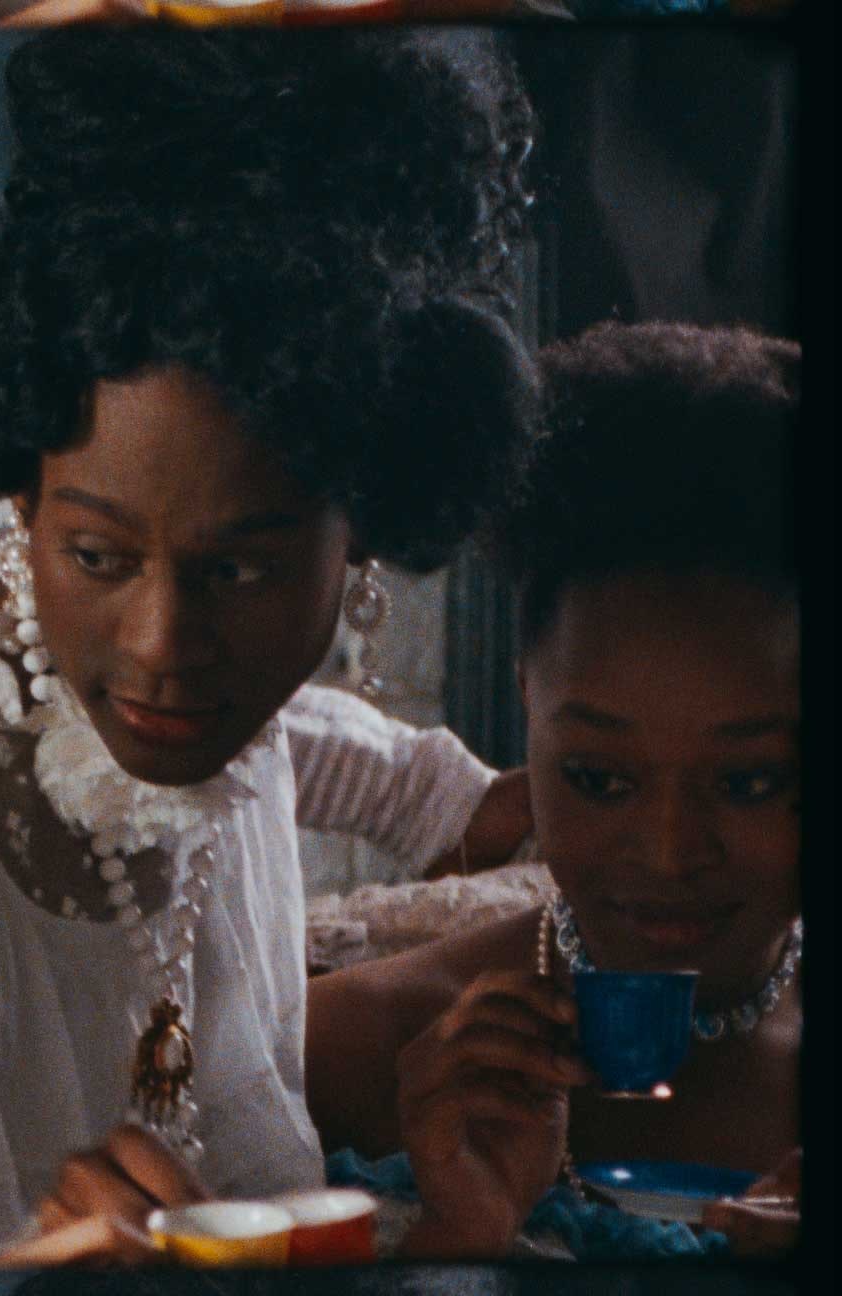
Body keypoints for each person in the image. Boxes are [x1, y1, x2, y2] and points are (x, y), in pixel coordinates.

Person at [0, 29, 540, 1262]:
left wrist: (443, 793)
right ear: (20, 503)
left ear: (362, 542)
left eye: (240, 570)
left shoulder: (121, 648)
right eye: (99, 556)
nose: (164, 645)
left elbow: (284, 734)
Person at [303, 322, 802, 1260]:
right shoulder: (348, 1056)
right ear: (527, 704)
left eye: (749, 782)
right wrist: (456, 1240)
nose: (669, 855)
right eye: (599, 779)